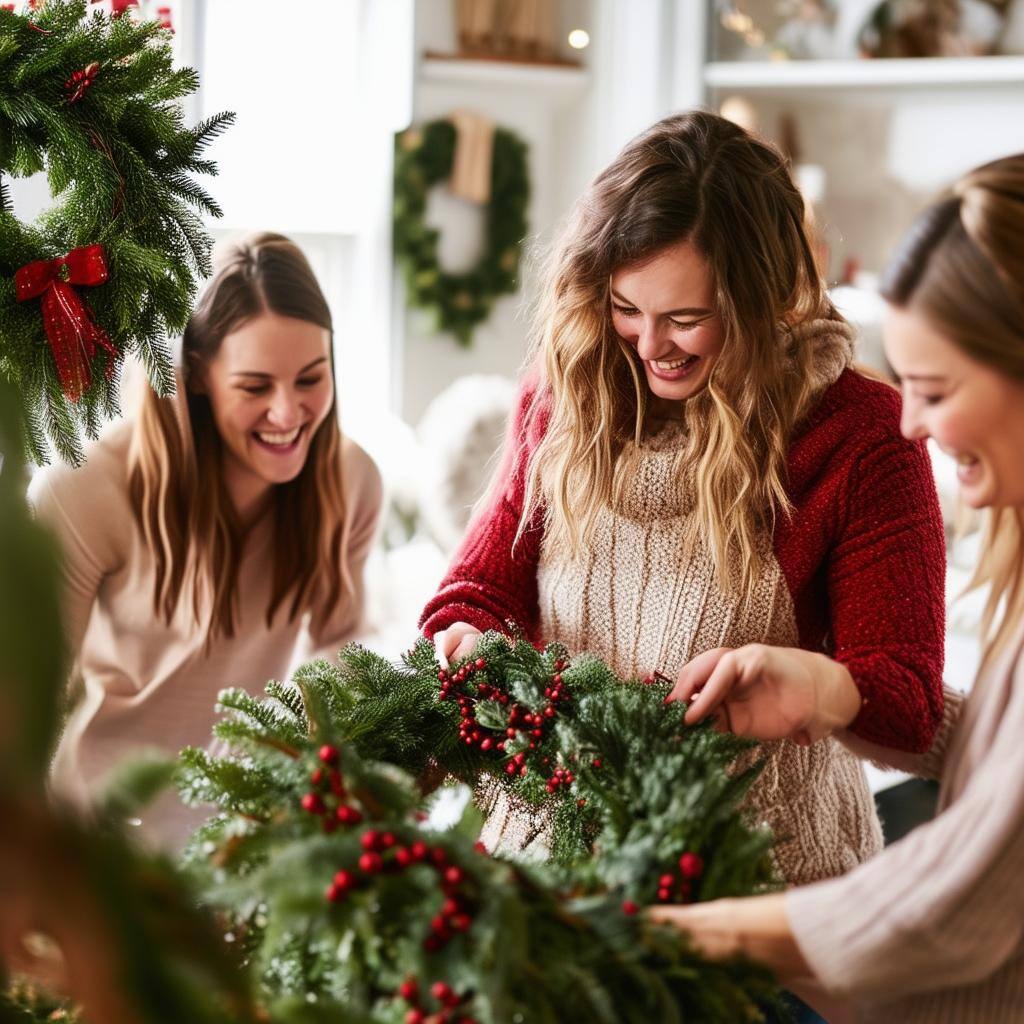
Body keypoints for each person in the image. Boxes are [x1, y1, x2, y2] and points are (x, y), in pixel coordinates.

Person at [419, 110, 946, 890]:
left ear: (765, 298)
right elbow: (477, 589)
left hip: (766, 886)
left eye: (686, 319)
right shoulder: (567, 395)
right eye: (626, 309)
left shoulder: (858, 435)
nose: (648, 345)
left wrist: (817, 685)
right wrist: (467, 639)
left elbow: (906, 696)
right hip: (550, 871)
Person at [653, 154, 1024, 1022]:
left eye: (933, 389)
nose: (910, 423)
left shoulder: (854, 447)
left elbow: (950, 911)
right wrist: (829, 689)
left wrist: (672, 933)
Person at [30, 233, 382, 847]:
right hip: (100, 832)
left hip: (243, 833)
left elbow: (340, 642)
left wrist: (288, 743)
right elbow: (28, 704)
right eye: (254, 387)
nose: (288, 413)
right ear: (196, 374)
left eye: (310, 379)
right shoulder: (86, 489)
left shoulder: (351, 482)